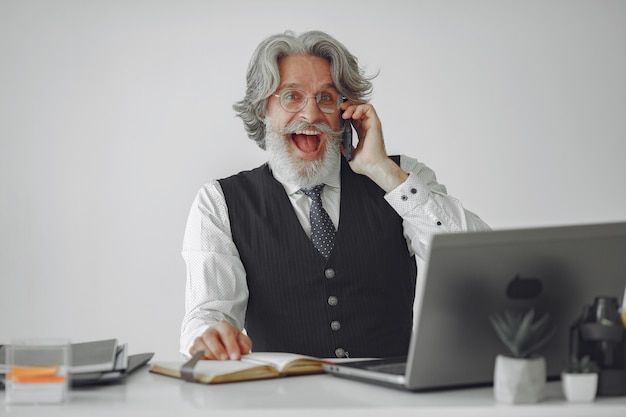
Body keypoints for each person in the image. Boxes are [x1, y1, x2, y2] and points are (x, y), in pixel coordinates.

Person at [180, 30, 490, 361]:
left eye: (326, 98)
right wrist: (208, 338)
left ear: (346, 112)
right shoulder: (219, 203)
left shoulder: (401, 179)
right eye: (292, 96)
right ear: (262, 109)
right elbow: (206, 316)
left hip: (393, 404)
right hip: (284, 402)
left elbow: (482, 264)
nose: (311, 116)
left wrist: (384, 172)